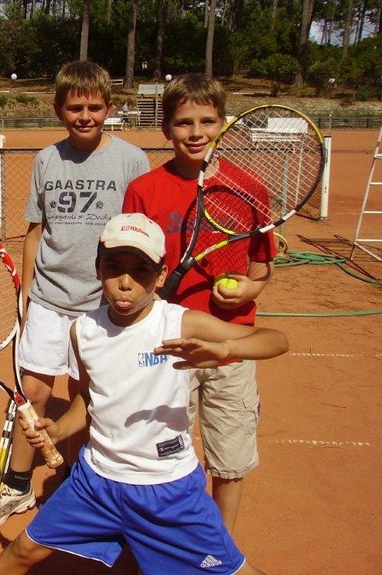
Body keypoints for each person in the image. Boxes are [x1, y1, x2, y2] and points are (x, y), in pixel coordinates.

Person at [0, 213, 288, 574]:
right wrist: (61, 430)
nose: (125, 283)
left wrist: (225, 351)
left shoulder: (178, 322)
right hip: (96, 483)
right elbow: (89, 398)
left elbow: (276, 340)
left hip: (167, 490)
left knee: (233, 571)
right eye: (113, 267)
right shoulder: (83, 331)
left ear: (160, 276)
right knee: (22, 551)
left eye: (141, 271)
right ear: (98, 270)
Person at [0, 60, 150, 531]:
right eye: (74, 108)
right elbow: (35, 232)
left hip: (102, 302)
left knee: (84, 396)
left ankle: (76, 483)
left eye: (94, 106)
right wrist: (25, 296)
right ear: (59, 110)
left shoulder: (132, 160)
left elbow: (139, 231)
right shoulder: (47, 159)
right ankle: (16, 484)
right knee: (31, 393)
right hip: (49, 297)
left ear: (109, 108)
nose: (84, 115)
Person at [121, 72, 277, 534]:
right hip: (169, 344)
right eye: (184, 122)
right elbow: (129, 267)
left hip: (234, 343)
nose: (196, 132)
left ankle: (219, 547)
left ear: (223, 124)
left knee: (229, 458)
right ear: (166, 128)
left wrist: (250, 290)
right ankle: (168, 541)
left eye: (207, 121)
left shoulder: (249, 187)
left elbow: (262, 264)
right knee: (163, 455)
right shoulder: (145, 190)